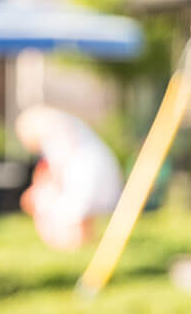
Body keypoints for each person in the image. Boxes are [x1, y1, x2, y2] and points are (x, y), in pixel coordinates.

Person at [15, 106, 121, 250]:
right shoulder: (63, 124)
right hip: (96, 169)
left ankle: (73, 243)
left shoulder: (52, 131)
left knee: (69, 209)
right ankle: (84, 243)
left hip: (84, 174)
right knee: (79, 210)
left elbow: (59, 165)